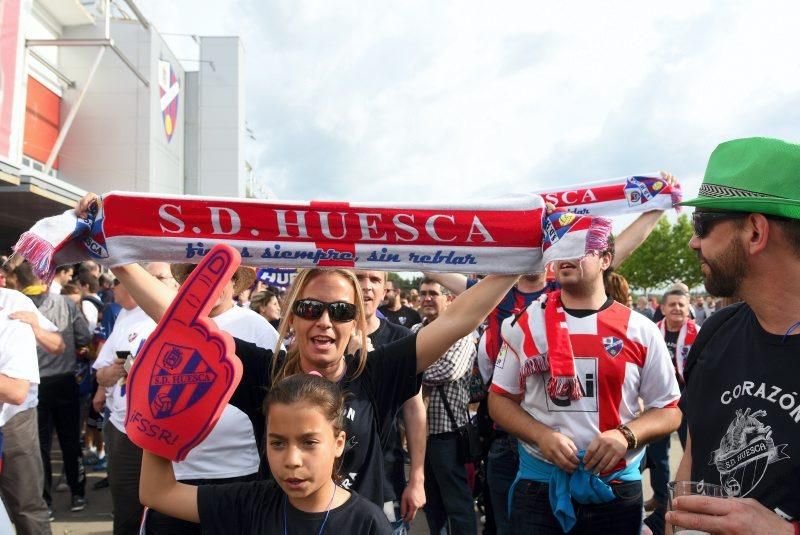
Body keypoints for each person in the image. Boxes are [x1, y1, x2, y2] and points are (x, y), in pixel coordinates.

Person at [489, 229, 681, 535]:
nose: (566, 256)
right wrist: (540, 435)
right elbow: (499, 399)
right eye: (561, 249)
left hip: (614, 489)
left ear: (606, 260)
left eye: (580, 249)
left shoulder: (640, 330)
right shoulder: (525, 323)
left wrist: (626, 436)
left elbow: (670, 410)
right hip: (541, 486)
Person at [667, 137, 800, 533]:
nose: (694, 241)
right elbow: (694, 454)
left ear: (755, 232)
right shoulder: (717, 330)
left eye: (702, 224)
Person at [140, 373, 392, 533]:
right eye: (278, 444)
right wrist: (161, 412)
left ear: (338, 443)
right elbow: (157, 493)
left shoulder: (367, 522)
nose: (292, 461)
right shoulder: (250, 503)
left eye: (309, 442)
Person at [143, 263, 280, 534]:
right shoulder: (168, 323)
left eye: (221, 277)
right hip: (178, 473)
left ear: (234, 282)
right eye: (199, 277)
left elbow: (278, 394)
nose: (211, 284)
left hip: (240, 474)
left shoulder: (259, 328)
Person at [13, 261, 91, 514]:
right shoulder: (67, 304)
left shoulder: (12, 307)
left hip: (33, 384)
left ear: (18, 282)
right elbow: (84, 337)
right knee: (70, 442)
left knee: (41, 446)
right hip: (64, 379)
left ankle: (45, 501)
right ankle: (77, 494)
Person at [354, 270, 426, 533]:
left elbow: (414, 409)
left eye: (374, 280)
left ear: (386, 291)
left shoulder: (402, 338)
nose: (366, 286)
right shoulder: (325, 336)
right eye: (359, 277)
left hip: (386, 479)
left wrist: (416, 477)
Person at [411, 278, 478, 535]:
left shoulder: (461, 331)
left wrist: (411, 368)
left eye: (433, 293)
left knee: (458, 505)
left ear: (449, 299)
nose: (427, 298)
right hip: (419, 436)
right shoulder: (415, 329)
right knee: (430, 503)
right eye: (423, 293)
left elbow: (447, 370)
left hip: (448, 433)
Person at [0, 287, 59, 533]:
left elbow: (58, 344)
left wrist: (35, 327)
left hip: (14, 421)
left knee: (26, 506)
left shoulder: (13, 302)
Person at [643, 289, 698, 531]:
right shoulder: (651, 331)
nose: (677, 309)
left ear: (688, 310)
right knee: (657, 454)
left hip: (691, 398)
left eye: (681, 305)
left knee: (692, 452)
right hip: (660, 401)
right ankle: (661, 497)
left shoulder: (700, 333)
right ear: (663, 308)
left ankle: (686, 502)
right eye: (672, 305)